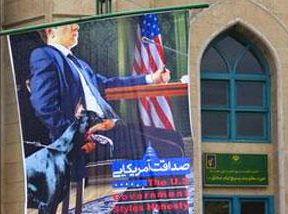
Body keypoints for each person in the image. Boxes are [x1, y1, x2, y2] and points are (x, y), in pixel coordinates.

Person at [29, 24, 184, 163]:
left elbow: (109, 83)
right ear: (50, 31)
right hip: (87, 136)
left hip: (108, 126)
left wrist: (151, 78)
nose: (76, 27)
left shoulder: (80, 64)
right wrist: (75, 137)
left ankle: (155, 185)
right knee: (170, 149)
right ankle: (161, 187)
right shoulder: (44, 55)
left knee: (174, 137)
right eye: (69, 24)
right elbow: (44, 105)